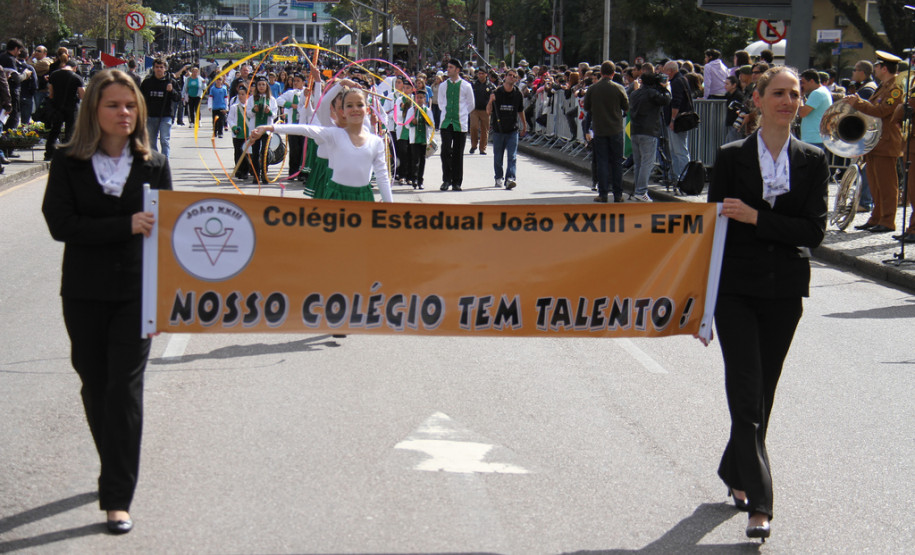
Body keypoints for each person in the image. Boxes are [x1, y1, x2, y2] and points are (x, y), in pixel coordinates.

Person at [41, 68, 172, 535]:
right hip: (83, 292)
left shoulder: (153, 164)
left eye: (131, 105)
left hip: (136, 296)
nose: (125, 113)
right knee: (96, 387)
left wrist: (165, 301)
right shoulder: (67, 162)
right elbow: (61, 224)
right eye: (114, 105)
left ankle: (116, 497)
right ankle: (113, 458)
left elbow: (169, 236)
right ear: (93, 111)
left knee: (124, 392)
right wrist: (125, 225)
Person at [708, 66, 828, 543]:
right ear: (757, 100)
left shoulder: (813, 160)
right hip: (735, 289)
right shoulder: (730, 156)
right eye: (777, 92)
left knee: (763, 393)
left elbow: (813, 231)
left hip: (785, 291)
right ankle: (760, 505)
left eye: (794, 94)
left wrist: (757, 217)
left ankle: (733, 467)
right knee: (745, 390)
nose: (786, 100)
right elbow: (715, 231)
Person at [250, 87, 392, 202]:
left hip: (363, 197)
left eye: (360, 105)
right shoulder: (334, 134)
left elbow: (382, 176)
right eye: (349, 105)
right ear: (341, 111)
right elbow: (304, 129)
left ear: (367, 110)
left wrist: (390, 206)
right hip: (336, 195)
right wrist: (269, 128)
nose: (355, 109)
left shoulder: (375, 141)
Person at [846, 51, 904, 234]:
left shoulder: (896, 87)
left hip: (886, 142)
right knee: (875, 183)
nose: (875, 69)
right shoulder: (883, 86)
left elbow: (882, 111)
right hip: (875, 142)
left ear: (884, 68)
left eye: (877, 66)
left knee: (887, 185)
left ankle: (887, 221)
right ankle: (876, 217)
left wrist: (858, 103)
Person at [583, 60, 629, 202]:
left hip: (600, 129)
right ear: (613, 73)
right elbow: (626, 106)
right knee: (616, 162)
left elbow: (586, 107)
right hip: (615, 128)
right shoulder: (619, 88)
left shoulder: (593, 88)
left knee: (602, 161)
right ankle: (618, 194)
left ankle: (603, 193)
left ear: (601, 73)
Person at [628, 71, 670, 202]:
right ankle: (641, 191)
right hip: (648, 131)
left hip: (635, 130)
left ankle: (637, 190)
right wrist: (665, 88)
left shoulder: (634, 93)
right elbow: (666, 100)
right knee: (647, 163)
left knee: (639, 163)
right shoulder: (652, 93)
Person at [437, 59, 474, 191]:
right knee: (445, 150)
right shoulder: (443, 86)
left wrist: (462, 114)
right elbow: (441, 103)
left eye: (451, 67)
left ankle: (457, 181)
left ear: (458, 70)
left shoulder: (466, 86)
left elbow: (471, 104)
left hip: (460, 123)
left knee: (458, 153)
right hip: (446, 122)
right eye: (448, 67)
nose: (449, 69)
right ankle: (446, 179)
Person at [487, 68, 527, 190]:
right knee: (498, 156)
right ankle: (498, 177)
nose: (512, 77)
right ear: (505, 77)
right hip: (499, 130)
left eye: (514, 76)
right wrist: (490, 100)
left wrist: (524, 125)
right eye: (510, 75)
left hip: (512, 130)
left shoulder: (518, 93)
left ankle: (510, 178)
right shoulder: (497, 92)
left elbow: (520, 110)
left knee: (512, 156)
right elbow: (488, 111)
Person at [44, 60, 85, 161]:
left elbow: (51, 93)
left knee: (55, 130)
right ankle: (68, 154)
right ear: (74, 68)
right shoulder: (77, 78)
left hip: (57, 107)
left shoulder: (53, 75)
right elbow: (82, 95)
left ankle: (49, 153)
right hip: (72, 107)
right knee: (70, 131)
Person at [140, 58, 179, 157]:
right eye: (157, 67)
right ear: (153, 68)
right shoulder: (147, 82)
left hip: (165, 115)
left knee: (164, 140)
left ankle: (164, 161)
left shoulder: (171, 82)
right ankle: (156, 161)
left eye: (161, 67)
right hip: (151, 116)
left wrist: (171, 91)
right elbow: (140, 98)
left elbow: (177, 98)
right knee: (151, 142)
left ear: (165, 69)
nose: (159, 69)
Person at [662, 61, 692, 184]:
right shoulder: (682, 80)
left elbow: (676, 102)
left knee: (679, 150)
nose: (664, 74)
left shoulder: (676, 83)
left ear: (670, 71)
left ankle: (684, 177)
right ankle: (675, 176)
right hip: (680, 120)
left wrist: (673, 119)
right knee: (676, 150)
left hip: (678, 121)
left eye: (665, 71)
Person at [245, 76, 278, 183]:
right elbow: (248, 114)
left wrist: (269, 112)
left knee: (265, 152)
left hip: (267, 130)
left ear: (267, 86)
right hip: (255, 129)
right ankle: (256, 174)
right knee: (255, 152)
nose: (261, 87)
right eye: (259, 84)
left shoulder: (272, 100)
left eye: (263, 84)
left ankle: (264, 173)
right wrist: (254, 110)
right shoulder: (251, 99)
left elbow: (274, 115)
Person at [798, 69, 832, 150]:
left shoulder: (816, 93)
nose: (802, 86)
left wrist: (800, 97)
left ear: (812, 81)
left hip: (813, 139)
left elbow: (802, 113)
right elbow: (809, 108)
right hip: (818, 137)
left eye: (803, 83)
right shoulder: (824, 90)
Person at [227, 84, 255, 180]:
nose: (240, 96)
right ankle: (238, 169)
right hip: (238, 134)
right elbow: (230, 119)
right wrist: (234, 127)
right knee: (238, 152)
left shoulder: (250, 107)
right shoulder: (235, 107)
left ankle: (245, 171)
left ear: (247, 95)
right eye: (239, 94)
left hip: (248, 134)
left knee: (247, 153)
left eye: (243, 94)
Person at [407, 89, 433, 190]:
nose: (419, 100)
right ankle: (414, 179)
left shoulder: (427, 111)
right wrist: (412, 122)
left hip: (423, 138)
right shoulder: (411, 110)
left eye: (422, 98)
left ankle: (420, 180)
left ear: (425, 99)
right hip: (414, 138)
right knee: (415, 159)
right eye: (418, 98)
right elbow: (406, 125)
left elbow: (432, 125)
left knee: (422, 160)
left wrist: (427, 121)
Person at [469, 67, 495, 154]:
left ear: (486, 74)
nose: (480, 75)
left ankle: (482, 148)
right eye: (479, 73)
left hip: (485, 110)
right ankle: (473, 145)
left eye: (482, 73)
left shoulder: (490, 86)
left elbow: (494, 96)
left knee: (484, 130)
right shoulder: (473, 84)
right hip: (474, 110)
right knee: (474, 127)